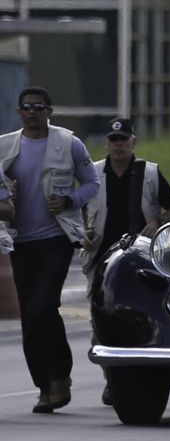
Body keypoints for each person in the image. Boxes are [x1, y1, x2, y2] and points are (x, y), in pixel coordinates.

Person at [0, 87, 99, 413]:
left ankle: (60, 377)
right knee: (31, 315)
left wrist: (70, 200)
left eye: (39, 107)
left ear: (49, 111)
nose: (33, 112)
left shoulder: (68, 143)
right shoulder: (5, 146)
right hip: (20, 240)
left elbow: (91, 183)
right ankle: (45, 386)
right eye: (27, 107)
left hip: (57, 237)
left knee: (43, 306)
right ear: (19, 112)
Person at [81, 117, 170, 406]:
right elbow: (77, 207)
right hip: (101, 259)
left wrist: (157, 220)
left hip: (140, 259)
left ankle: (130, 380)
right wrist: (83, 233)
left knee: (137, 318)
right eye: (113, 140)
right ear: (106, 143)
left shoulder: (149, 173)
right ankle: (112, 381)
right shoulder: (93, 173)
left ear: (133, 142)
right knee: (101, 323)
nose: (118, 145)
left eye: (123, 140)